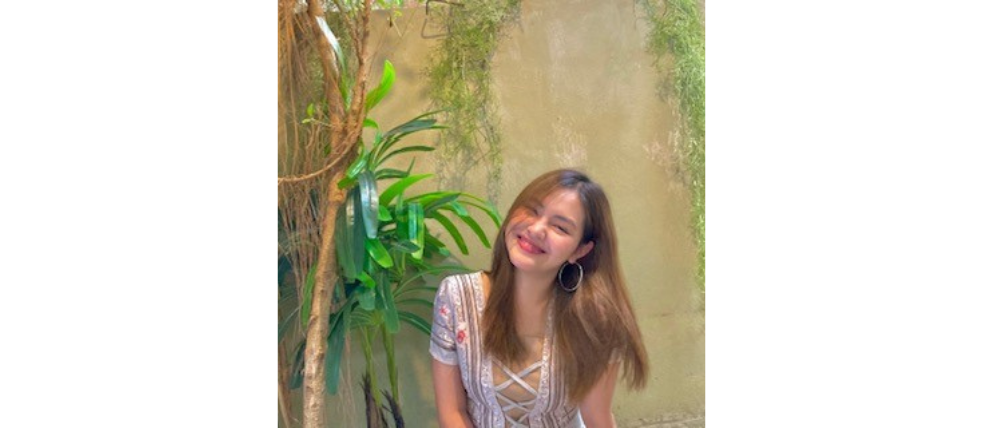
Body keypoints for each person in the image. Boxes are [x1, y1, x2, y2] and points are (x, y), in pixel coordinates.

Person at [430, 169, 649, 428]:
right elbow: (452, 412)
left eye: (560, 227)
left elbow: (597, 417)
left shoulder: (596, 317)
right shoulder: (456, 297)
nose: (536, 229)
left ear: (580, 250)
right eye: (532, 210)